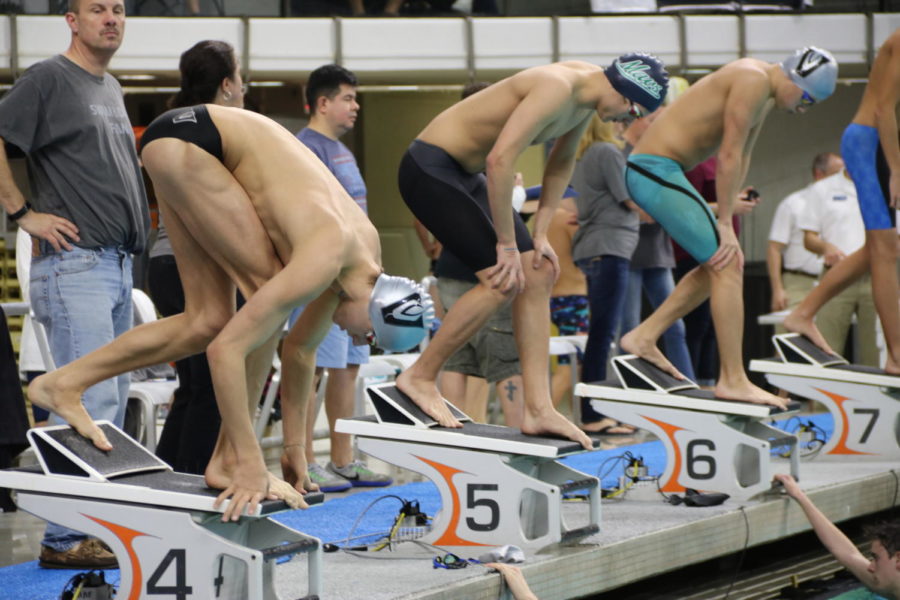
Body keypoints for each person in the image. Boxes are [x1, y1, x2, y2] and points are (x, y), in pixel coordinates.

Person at [27, 104, 434, 523]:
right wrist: (253, 461)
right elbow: (227, 352)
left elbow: (299, 351)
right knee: (259, 302)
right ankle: (232, 461)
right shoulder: (328, 255)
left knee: (206, 320)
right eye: (370, 336)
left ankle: (63, 383)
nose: (359, 343)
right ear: (375, 308)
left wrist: (295, 449)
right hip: (197, 141)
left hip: (182, 144)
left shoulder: (358, 266)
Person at [397, 54, 671, 449]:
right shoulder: (558, 88)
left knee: (539, 271)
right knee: (502, 280)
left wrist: (540, 233)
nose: (625, 119)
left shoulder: (585, 98)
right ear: (620, 87)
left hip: (464, 173)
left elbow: (560, 163)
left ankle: (538, 408)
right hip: (431, 168)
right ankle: (420, 376)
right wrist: (507, 245)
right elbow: (500, 159)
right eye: (631, 108)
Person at [0, 0, 150, 568]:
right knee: (82, 403)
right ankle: (65, 541)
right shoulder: (48, 78)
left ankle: (94, 528)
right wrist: (22, 214)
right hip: (75, 266)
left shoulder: (108, 86)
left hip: (113, 266)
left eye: (117, 9)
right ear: (72, 19)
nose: (111, 18)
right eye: (97, 9)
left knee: (105, 406)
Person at [620, 46, 838, 409]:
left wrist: (727, 219)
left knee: (718, 264)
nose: (803, 109)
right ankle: (733, 379)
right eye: (806, 99)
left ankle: (645, 335)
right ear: (795, 78)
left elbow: (745, 155)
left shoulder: (764, 94)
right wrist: (725, 222)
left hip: (662, 170)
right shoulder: (751, 79)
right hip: (652, 169)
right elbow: (729, 155)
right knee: (729, 263)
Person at [292, 64, 392, 492]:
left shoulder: (343, 152)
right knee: (311, 366)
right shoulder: (303, 148)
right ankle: (302, 460)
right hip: (321, 277)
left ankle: (343, 459)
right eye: (348, 98)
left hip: (353, 278)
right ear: (323, 103)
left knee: (349, 366)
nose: (356, 106)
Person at [148, 40, 244, 476]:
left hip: (163, 264)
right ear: (226, 84)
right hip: (198, 266)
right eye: (241, 78)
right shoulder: (219, 129)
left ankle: (166, 476)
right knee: (211, 388)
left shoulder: (173, 125)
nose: (244, 88)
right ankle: (190, 484)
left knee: (192, 386)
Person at [785, 30, 900, 374]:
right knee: (884, 250)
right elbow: (883, 109)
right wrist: (896, 168)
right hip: (870, 144)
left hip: (875, 144)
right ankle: (896, 356)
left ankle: (802, 313)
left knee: (881, 248)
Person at [433, 81, 525, 428]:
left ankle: (454, 440)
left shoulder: (442, 153)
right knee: (507, 363)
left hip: (451, 270)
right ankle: (522, 442)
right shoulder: (490, 156)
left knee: (457, 359)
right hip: (489, 271)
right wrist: (515, 197)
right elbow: (497, 214)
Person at [570, 115, 639, 433]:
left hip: (594, 248)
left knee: (601, 335)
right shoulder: (608, 153)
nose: (622, 125)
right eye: (618, 120)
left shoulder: (584, 156)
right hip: (609, 247)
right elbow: (629, 197)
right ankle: (593, 414)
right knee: (603, 335)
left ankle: (594, 410)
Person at [618, 108, 695, 381]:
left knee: (675, 326)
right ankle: (633, 393)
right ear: (636, 119)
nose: (656, 128)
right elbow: (635, 210)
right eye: (652, 121)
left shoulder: (657, 157)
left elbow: (663, 206)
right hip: (628, 255)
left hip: (658, 254)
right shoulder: (619, 156)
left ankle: (689, 390)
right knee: (629, 329)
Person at [797, 166, 878, 365]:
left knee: (877, 353)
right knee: (826, 348)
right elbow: (809, 238)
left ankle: (877, 396)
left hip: (877, 275)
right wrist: (826, 247)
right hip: (836, 274)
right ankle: (819, 396)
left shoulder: (885, 182)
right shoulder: (823, 189)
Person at [774, 474, 900, 600]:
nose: (870, 567)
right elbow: (848, 554)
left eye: (876, 559)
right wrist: (799, 496)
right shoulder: (887, 583)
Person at [766, 152, 843, 332]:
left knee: (828, 341)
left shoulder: (844, 202)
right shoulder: (793, 203)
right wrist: (778, 289)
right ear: (819, 174)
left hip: (833, 280)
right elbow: (774, 248)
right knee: (790, 342)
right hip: (799, 283)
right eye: (836, 173)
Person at [546, 194, 588, 410]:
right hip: (576, 300)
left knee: (573, 365)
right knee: (568, 367)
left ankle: (576, 415)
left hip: (554, 298)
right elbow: (587, 251)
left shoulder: (546, 220)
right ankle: (545, 414)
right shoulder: (570, 221)